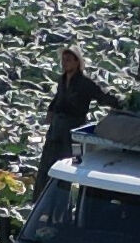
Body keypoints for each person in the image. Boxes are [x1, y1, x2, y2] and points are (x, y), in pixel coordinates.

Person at [37, 47, 111, 182]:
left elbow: (103, 96)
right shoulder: (62, 79)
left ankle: (67, 195)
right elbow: (58, 98)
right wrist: (50, 111)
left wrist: (122, 104)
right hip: (56, 129)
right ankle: (42, 196)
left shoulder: (85, 83)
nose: (64, 63)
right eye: (63, 60)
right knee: (47, 164)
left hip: (73, 130)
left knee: (71, 162)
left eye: (68, 60)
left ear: (77, 63)